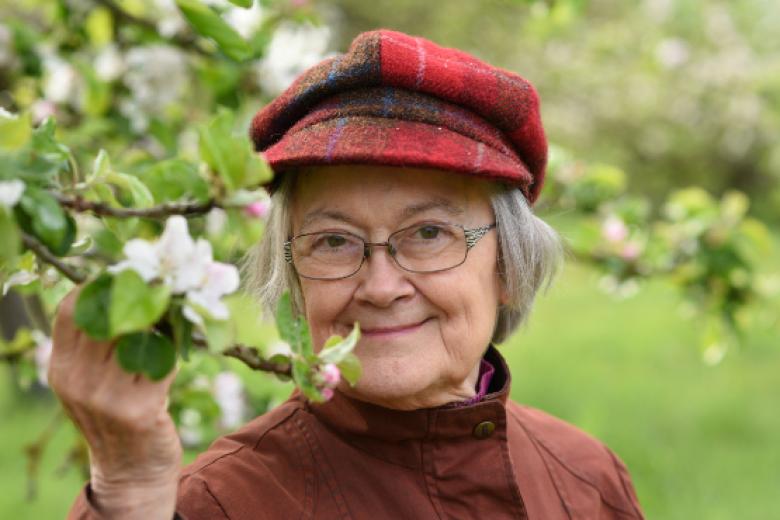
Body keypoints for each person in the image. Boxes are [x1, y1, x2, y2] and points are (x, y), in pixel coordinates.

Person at [54, 29, 645, 519]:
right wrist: (129, 492)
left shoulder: (586, 480)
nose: (382, 287)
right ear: (292, 276)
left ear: (508, 266)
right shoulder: (218, 505)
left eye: (429, 234)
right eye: (334, 241)